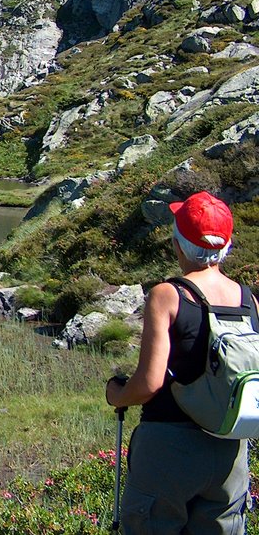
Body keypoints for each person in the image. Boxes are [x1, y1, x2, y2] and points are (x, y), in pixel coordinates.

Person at [105, 191, 251, 535]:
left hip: (168, 449)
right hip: (230, 452)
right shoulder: (250, 301)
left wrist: (117, 395)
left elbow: (149, 384)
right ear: (226, 247)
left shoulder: (168, 295)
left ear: (178, 245)